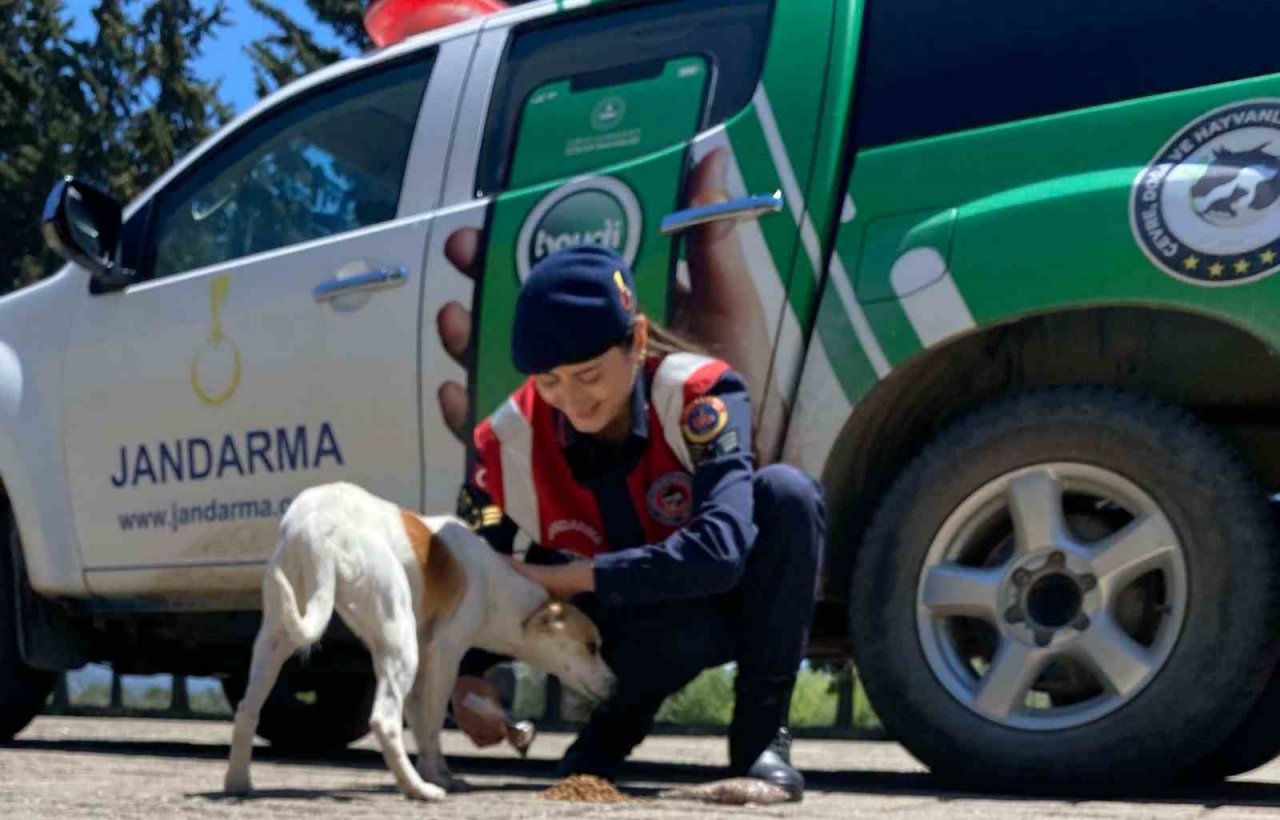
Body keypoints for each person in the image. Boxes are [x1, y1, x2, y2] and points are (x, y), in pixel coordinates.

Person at [450, 244, 825, 801]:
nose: (572, 401)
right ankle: (606, 737)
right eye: (549, 381)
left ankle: (761, 740)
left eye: (588, 374)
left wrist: (573, 576)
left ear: (638, 342)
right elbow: (475, 572)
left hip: (720, 600)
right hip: (619, 640)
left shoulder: (704, 395)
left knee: (788, 496)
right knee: (671, 629)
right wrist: (465, 675)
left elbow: (719, 554)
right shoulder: (501, 446)